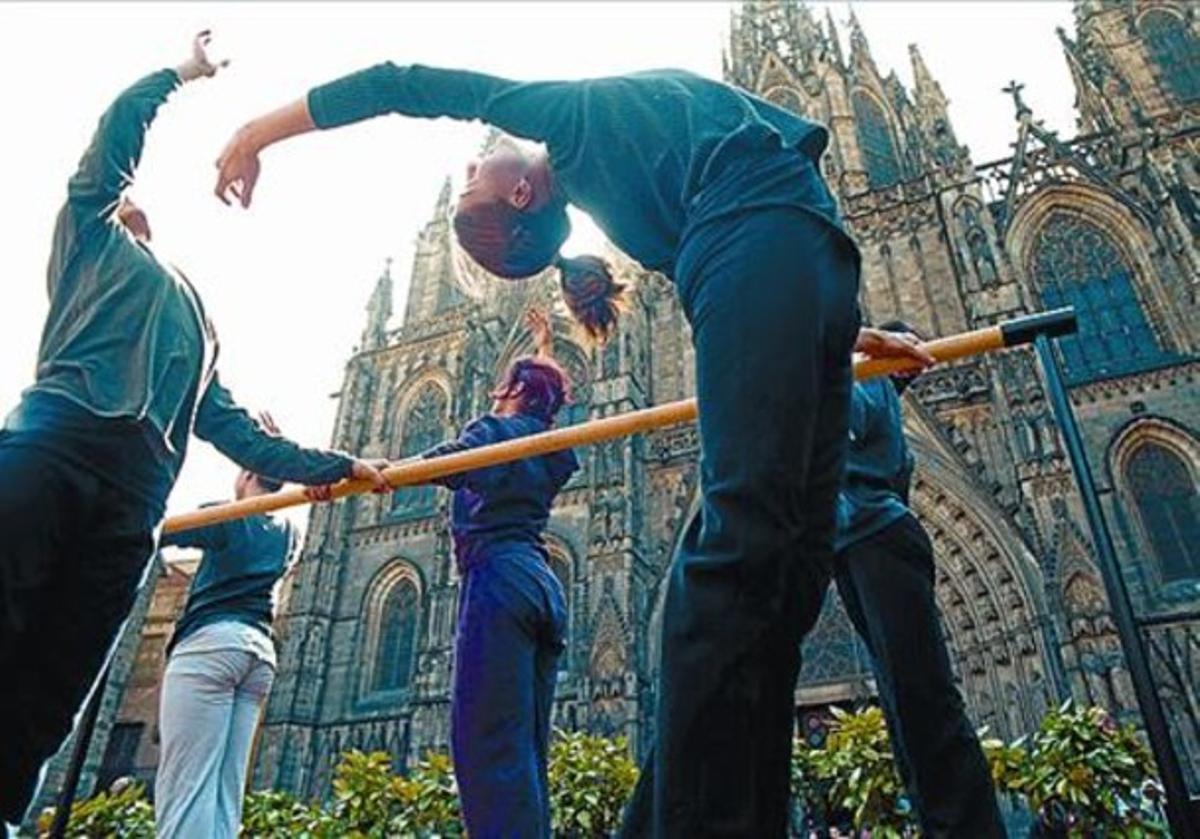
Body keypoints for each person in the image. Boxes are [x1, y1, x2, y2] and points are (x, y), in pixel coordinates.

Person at [214, 63, 934, 836]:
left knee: (763, 578)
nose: (471, 162)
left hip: (801, 255)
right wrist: (262, 132)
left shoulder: (614, 182)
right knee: (762, 576)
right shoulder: (574, 126)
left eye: (465, 178)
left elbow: (741, 272)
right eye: (471, 181)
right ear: (518, 192)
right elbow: (405, 83)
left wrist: (837, 322)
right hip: (799, 247)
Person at [0, 33, 389, 827]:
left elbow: (242, 434)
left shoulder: (199, 322)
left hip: (132, 503)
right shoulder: (88, 236)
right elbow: (114, 137)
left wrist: (342, 462)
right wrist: (179, 74)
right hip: (56, 447)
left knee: (59, 684)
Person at [829, 321, 1004, 837]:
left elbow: (839, 425)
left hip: (874, 535)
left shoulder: (869, 385)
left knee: (919, 693)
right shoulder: (882, 396)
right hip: (857, 542)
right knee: (905, 699)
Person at [418, 308, 578, 837]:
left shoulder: (493, 430)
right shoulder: (549, 447)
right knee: (525, 749)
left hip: (498, 583)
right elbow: (543, 402)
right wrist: (544, 347)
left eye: (506, 381)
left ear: (512, 391)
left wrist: (380, 474)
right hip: (541, 585)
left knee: (484, 742)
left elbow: (448, 464)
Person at [155, 414, 323, 839]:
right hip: (258, 657)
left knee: (186, 786)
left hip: (211, 646)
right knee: (226, 791)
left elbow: (159, 532)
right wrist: (277, 452)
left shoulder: (230, 516)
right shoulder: (288, 531)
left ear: (247, 472)